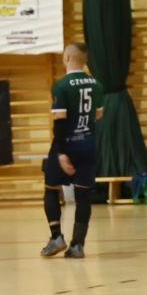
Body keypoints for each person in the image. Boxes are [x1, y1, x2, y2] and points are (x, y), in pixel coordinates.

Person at [41, 43, 104, 259]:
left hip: (67, 144)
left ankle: (56, 237)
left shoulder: (61, 86)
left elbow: (60, 121)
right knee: (83, 195)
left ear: (67, 57)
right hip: (88, 145)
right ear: (85, 60)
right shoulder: (97, 84)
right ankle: (77, 246)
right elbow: (98, 114)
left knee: (51, 189)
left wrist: (61, 152)